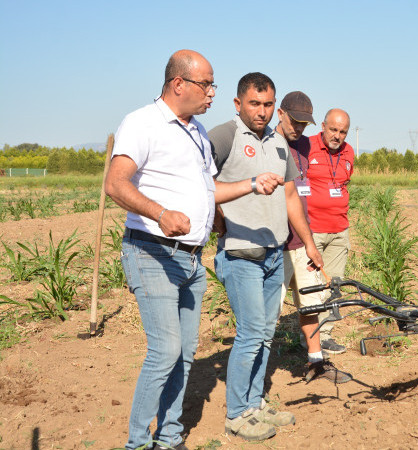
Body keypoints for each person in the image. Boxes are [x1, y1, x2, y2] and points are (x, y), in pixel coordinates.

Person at [106, 50, 284, 450]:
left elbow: (210, 190)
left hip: (190, 258)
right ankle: (137, 443)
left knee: (185, 353)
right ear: (178, 84)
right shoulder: (142, 123)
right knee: (165, 351)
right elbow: (116, 183)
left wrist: (252, 185)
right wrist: (160, 212)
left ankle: (169, 438)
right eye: (206, 84)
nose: (212, 93)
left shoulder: (197, 132)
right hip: (153, 252)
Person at [207, 73, 324, 441]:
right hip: (241, 255)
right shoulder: (223, 136)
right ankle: (237, 414)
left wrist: (308, 243)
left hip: (274, 254)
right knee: (251, 332)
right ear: (238, 103)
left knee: (264, 333)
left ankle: (255, 403)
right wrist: (217, 221)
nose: (261, 111)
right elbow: (199, 185)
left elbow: (291, 198)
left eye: (267, 104)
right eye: (254, 104)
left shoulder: (278, 144)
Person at [276, 91, 352, 383]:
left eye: (303, 124)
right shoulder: (275, 145)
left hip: (302, 241)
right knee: (270, 310)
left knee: (313, 302)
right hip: (281, 243)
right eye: (295, 121)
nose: (299, 129)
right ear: (280, 114)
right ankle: (257, 374)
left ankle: (317, 362)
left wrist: (307, 242)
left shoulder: (302, 146)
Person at [304, 108, 355, 355]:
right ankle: (307, 336)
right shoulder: (308, 146)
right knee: (311, 288)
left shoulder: (349, 152)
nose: (337, 136)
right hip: (311, 231)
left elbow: (344, 182)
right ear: (323, 126)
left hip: (339, 230)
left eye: (342, 131)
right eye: (333, 130)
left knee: (333, 285)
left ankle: (324, 336)